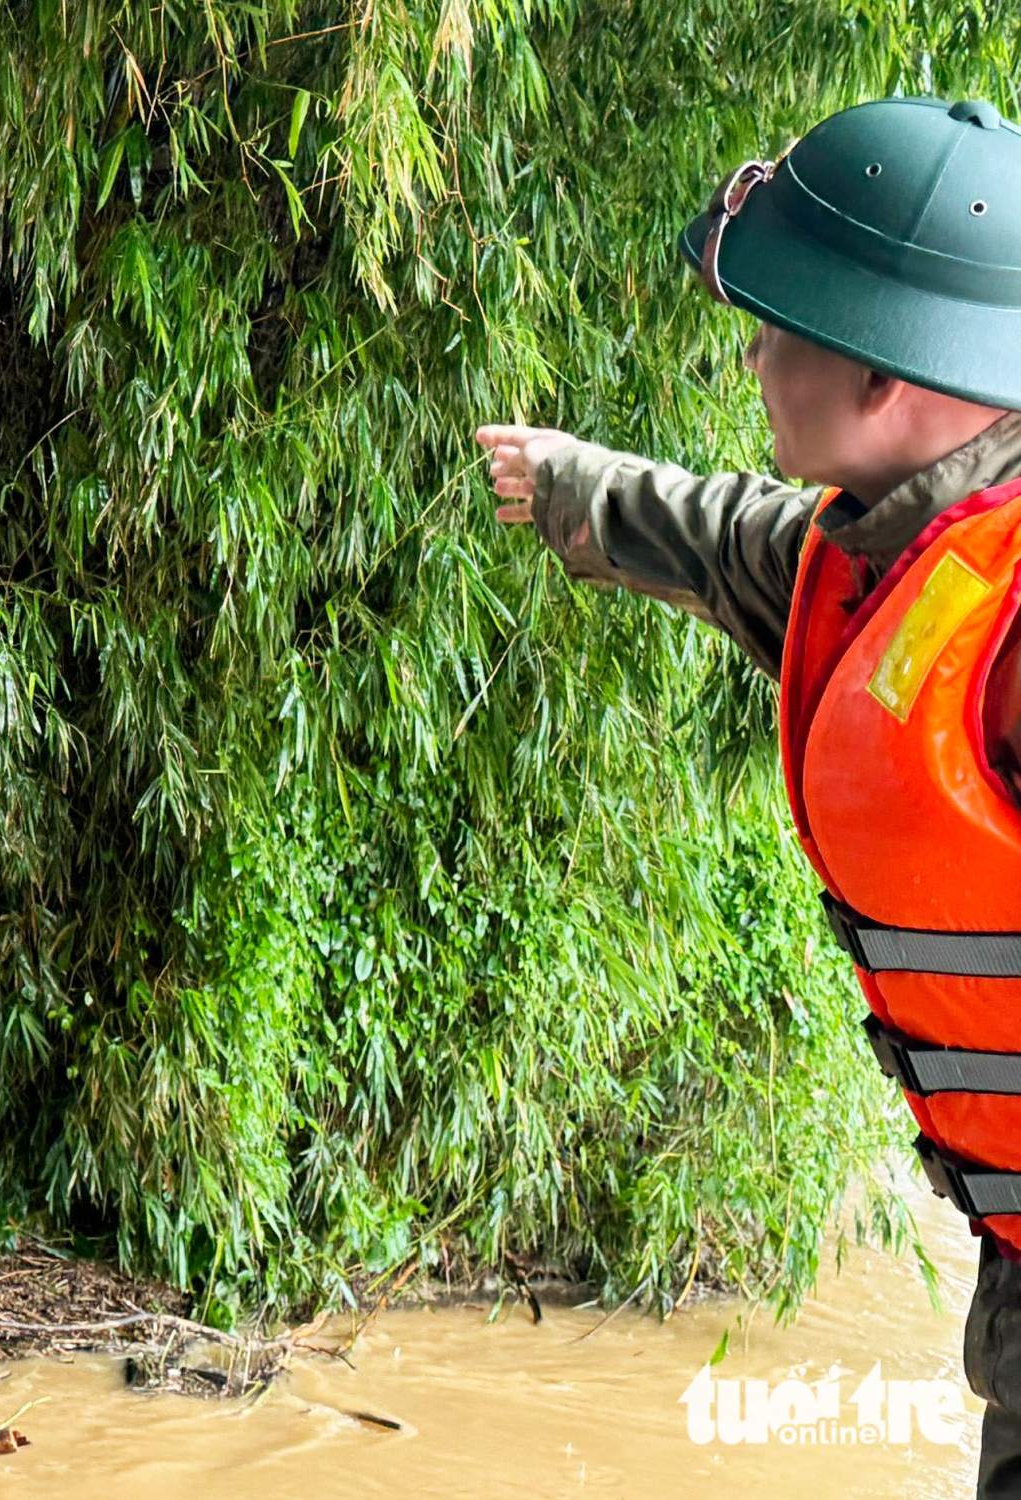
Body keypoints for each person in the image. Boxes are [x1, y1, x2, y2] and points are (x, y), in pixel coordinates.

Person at [478, 95, 1021, 1492]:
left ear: (881, 377)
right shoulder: (896, 544)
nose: (755, 357)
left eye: (776, 328)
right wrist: (568, 484)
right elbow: (734, 540)